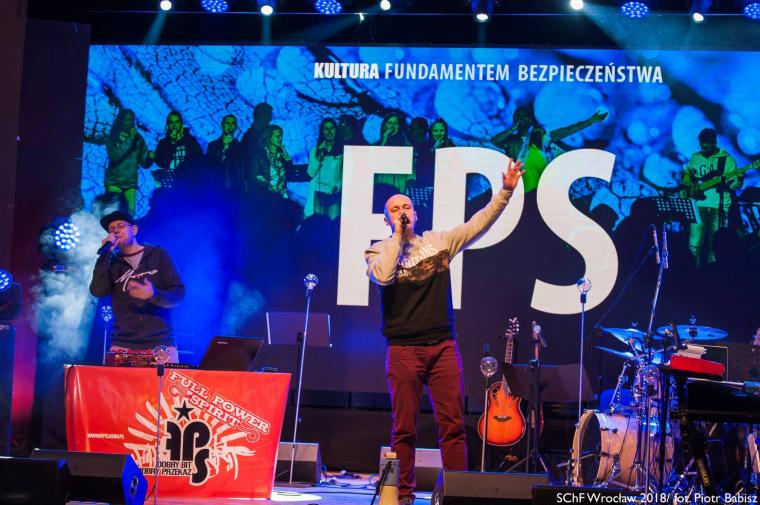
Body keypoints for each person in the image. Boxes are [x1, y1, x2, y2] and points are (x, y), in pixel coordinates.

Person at [364, 158, 525, 505]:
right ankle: (402, 496)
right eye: (395, 209)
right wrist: (397, 237)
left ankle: (457, 495)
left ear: (416, 213)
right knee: (403, 429)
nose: (403, 211)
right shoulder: (377, 250)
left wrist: (505, 192)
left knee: (452, 426)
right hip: (403, 350)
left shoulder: (439, 242)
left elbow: (478, 223)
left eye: (407, 206)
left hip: (442, 347)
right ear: (386, 219)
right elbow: (385, 276)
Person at [89, 210, 185, 363]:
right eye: (111, 229)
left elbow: (178, 294)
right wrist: (105, 255)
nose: (115, 231)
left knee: (163, 380)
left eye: (120, 226)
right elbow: (98, 291)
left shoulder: (158, 254)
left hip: (160, 344)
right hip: (122, 344)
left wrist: (153, 295)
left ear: (134, 230)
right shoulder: (111, 261)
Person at [681, 128, 742, 268]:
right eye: (701, 146)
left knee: (716, 246)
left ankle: (713, 274)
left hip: (719, 207)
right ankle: (691, 272)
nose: (703, 149)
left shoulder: (727, 160)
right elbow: (688, 172)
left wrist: (735, 183)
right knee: (693, 243)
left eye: (706, 146)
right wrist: (687, 180)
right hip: (699, 205)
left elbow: (733, 184)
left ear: (714, 143)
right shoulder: (695, 157)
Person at [104, 109, 151, 214]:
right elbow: (115, 156)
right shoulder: (112, 138)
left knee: (130, 215)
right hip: (114, 182)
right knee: (113, 214)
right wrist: (130, 138)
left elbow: (144, 162)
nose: (130, 123)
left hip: (130, 184)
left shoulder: (138, 139)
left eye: (132, 120)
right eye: (127, 120)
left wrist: (150, 158)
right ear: (120, 121)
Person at [149, 110, 203, 190]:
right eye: (171, 122)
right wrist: (172, 144)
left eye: (177, 122)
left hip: (188, 181)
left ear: (181, 123)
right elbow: (161, 163)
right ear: (168, 125)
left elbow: (199, 159)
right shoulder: (163, 142)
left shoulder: (190, 140)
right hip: (169, 181)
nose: (174, 125)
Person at [305, 118, 343, 219]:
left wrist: (338, 186)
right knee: (319, 223)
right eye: (326, 129)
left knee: (333, 223)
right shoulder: (315, 150)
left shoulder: (342, 150)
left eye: (332, 128)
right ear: (322, 131)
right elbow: (310, 173)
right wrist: (319, 156)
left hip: (335, 192)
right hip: (319, 192)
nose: (329, 132)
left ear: (336, 130)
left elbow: (344, 173)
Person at [251, 124, 292, 198]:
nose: (280, 139)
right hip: (265, 194)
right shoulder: (260, 155)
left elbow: (289, 175)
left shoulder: (282, 154)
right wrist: (266, 183)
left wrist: (288, 162)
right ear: (269, 137)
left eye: (281, 136)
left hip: (281, 194)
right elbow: (254, 174)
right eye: (277, 136)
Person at [207, 114, 245, 191]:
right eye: (227, 123)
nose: (230, 126)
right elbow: (211, 165)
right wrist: (224, 147)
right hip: (217, 185)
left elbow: (241, 167)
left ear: (236, 127)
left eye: (232, 124)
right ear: (222, 125)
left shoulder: (240, 147)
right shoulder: (213, 145)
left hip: (235, 187)